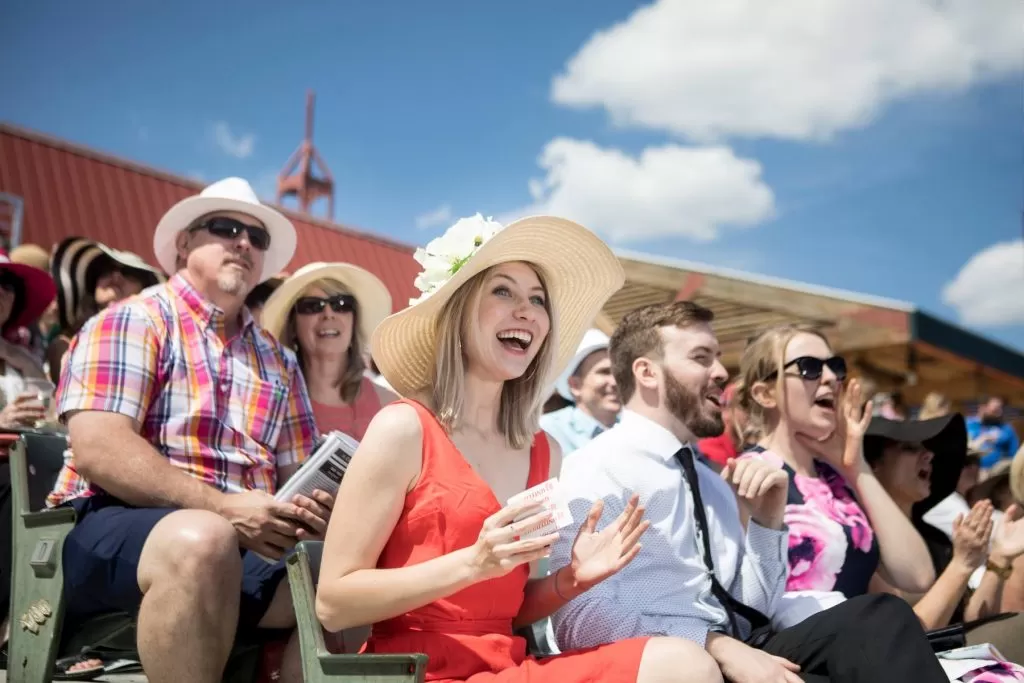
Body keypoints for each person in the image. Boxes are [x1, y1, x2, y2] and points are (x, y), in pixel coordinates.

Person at [316, 214, 723, 683]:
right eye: (503, 291)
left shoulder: (543, 450)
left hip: (507, 668)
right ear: (458, 312)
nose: (527, 310)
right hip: (417, 672)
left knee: (684, 662)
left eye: (538, 299)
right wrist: (473, 562)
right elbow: (333, 603)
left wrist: (570, 581)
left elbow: (507, 607)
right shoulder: (403, 428)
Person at [552, 301, 948, 683]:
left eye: (718, 357)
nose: (722, 372)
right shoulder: (595, 469)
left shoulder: (711, 481)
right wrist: (712, 645)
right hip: (676, 665)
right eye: (701, 357)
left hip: (743, 649)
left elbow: (751, 608)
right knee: (875, 620)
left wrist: (769, 520)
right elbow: (577, 619)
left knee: (881, 620)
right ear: (647, 372)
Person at [48, 177, 328, 683]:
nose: (244, 242)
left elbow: (298, 472)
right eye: (226, 228)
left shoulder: (279, 360)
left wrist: (314, 509)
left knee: (349, 575)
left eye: (257, 238)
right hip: (109, 520)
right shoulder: (134, 319)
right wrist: (223, 508)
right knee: (204, 539)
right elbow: (98, 449)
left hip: (243, 541)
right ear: (183, 243)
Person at [735, 325, 935, 620]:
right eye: (810, 367)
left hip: (858, 651)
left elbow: (917, 576)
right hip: (798, 657)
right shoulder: (747, 474)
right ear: (765, 394)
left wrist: (858, 467)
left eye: (835, 366)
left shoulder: (836, 479)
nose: (831, 378)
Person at [866, 416, 1024, 674]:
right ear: (872, 465)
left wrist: (1000, 558)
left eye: (926, 448)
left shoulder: (935, 539)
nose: (928, 455)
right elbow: (905, 637)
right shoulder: (860, 542)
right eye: (910, 448)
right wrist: (961, 565)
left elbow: (974, 623)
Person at [261, 262, 395, 440]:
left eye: (341, 304)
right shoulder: (271, 400)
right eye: (312, 306)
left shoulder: (389, 406)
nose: (329, 314)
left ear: (354, 321)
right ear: (292, 327)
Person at [47, 236, 165, 385]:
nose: (116, 276)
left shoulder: (157, 342)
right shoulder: (66, 342)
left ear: (145, 288)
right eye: (105, 271)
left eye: (129, 272)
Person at [540, 329, 621, 455]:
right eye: (604, 372)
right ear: (575, 385)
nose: (615, 382)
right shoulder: (547, 431)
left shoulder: (636, 432)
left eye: (619, 373)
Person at [968, 397, 1020, 471]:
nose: (999, 414)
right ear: (983, 408)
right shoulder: (967, 425)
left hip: (995, 474)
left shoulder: (1006, 429)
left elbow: (1014, 457)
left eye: (1001, 409)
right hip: (969, 472)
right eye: (995, 410)